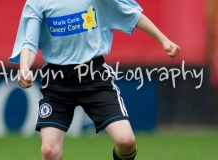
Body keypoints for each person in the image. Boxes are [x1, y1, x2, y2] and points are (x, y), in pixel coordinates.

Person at [9, 0, 180, 159]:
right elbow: (29, 42)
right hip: (57, 81)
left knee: (126, 141)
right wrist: (24, 67)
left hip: (95, 77)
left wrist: (163, 39)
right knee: (49, 151)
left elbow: (132, 14)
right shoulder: (37, 2)